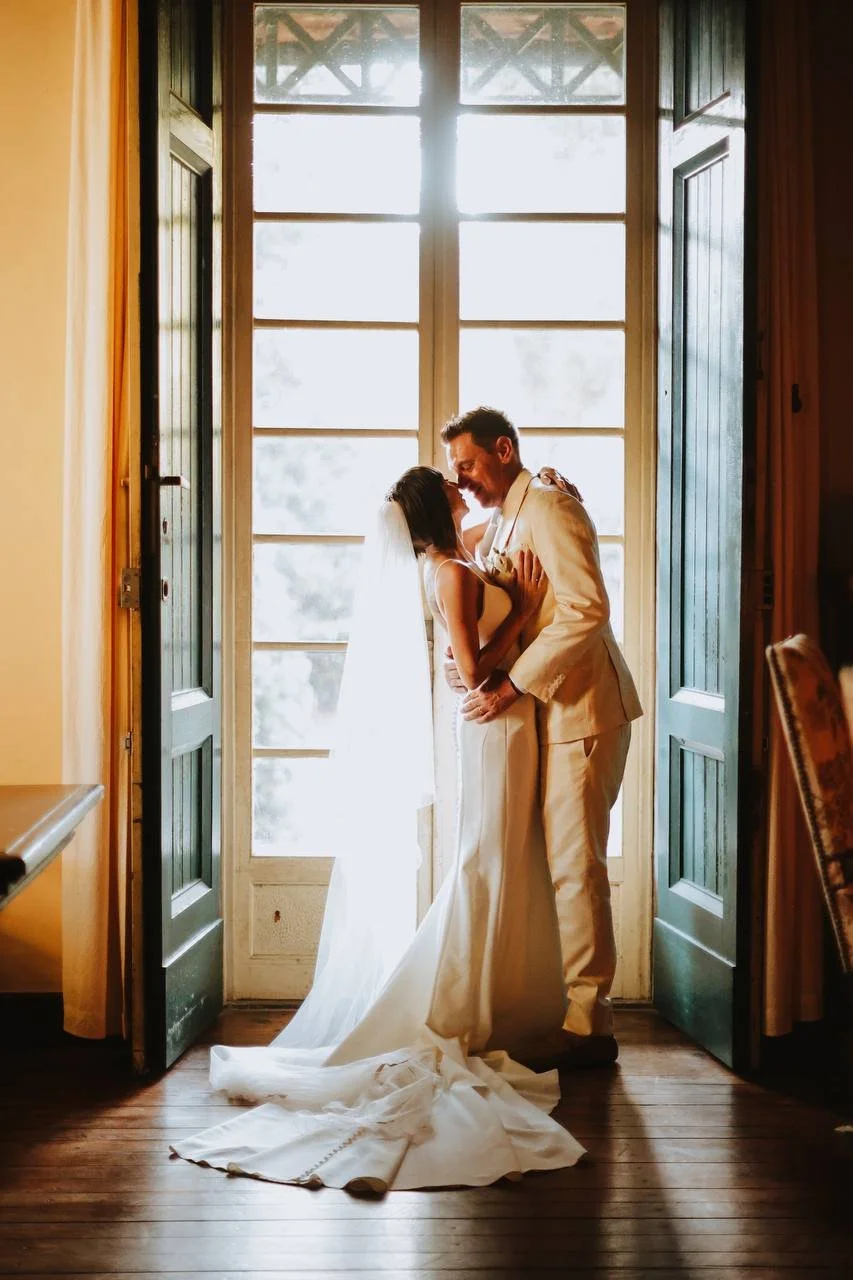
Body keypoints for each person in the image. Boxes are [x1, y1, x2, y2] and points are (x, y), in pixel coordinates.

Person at [171, 466, 584, 1193]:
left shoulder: (453, 561)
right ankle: (462, 1002)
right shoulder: (451, 575)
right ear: (434, 507)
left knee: (495, 860)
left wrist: (555, 488)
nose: (465, 495)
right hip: (496, 726)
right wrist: (519, 613)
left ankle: (491, 997)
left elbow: (506, 522)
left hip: (507, 727)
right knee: (482, 860)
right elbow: (474, 667)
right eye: (453, 491)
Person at [442, 406, 642, 1070]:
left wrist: (509, 685)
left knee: (574, 868)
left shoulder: (551, 509)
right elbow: (450, 555)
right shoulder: (503, 519)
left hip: (582, 712)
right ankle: (555, 1007)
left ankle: (591, 1029)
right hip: (543, 723)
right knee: (554, 868)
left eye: (467, 464)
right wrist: (462, 661)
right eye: (454, 471)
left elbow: (586, 609)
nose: (462, 479)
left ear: (504, 450)